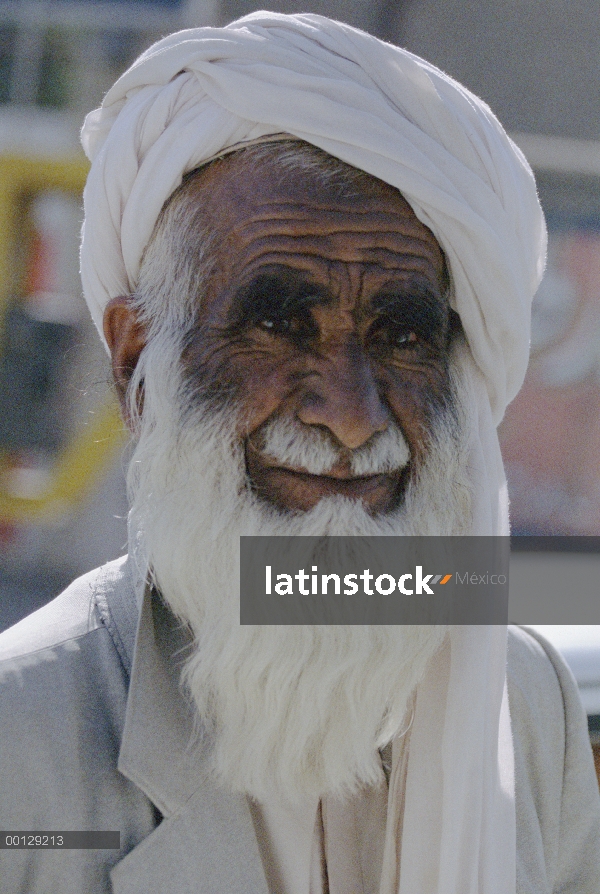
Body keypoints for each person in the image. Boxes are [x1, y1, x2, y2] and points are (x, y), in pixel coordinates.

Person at [1, 12, 599, 894]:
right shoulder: (25, 734)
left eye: (401, 335)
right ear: (135, 361)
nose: (352, 418)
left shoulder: (529, 701)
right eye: (277, 323)